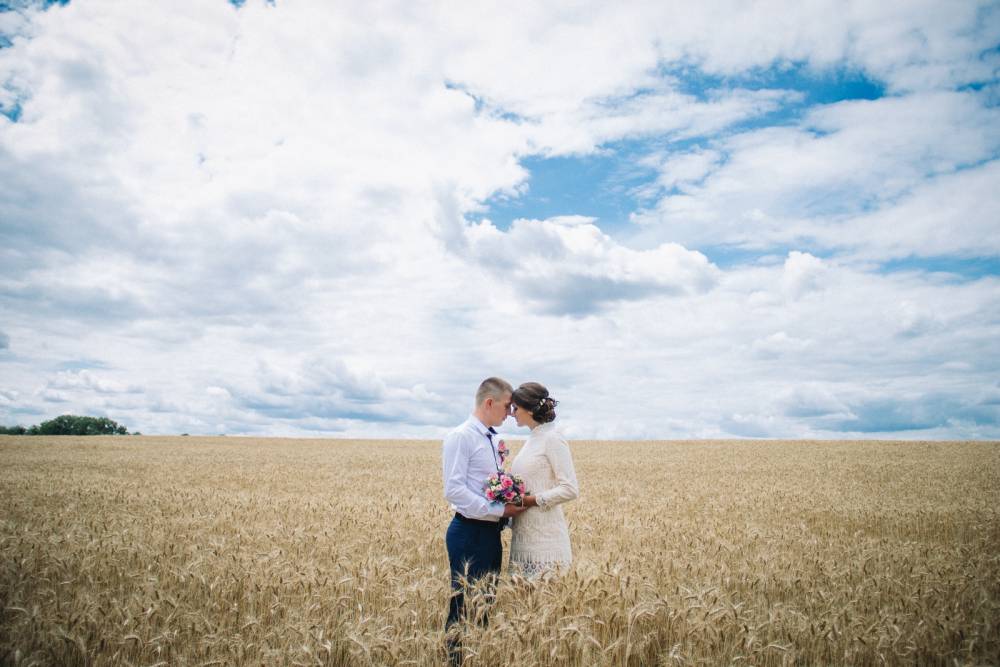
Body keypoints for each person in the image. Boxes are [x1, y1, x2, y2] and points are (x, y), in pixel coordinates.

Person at [442, 377, 526, 662]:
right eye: (507, 406)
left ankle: (476, 659)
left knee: (485, 604)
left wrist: (508, 503)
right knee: (463, 605)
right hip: (469, 532)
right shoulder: (461, 437)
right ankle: (455, 662)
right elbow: (453, 489)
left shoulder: (493, 440)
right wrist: (499, 511)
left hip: (490, 533)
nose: (510, 413)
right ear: (489, 402)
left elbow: (487, 485)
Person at [508, 382, 579, 578]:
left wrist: (530, 501)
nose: (512, 413)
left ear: (530, 410)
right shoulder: (533, 439)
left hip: (545, 541)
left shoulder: (552, 438)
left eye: (516, 408)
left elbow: (570, 488)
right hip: (523, 539)